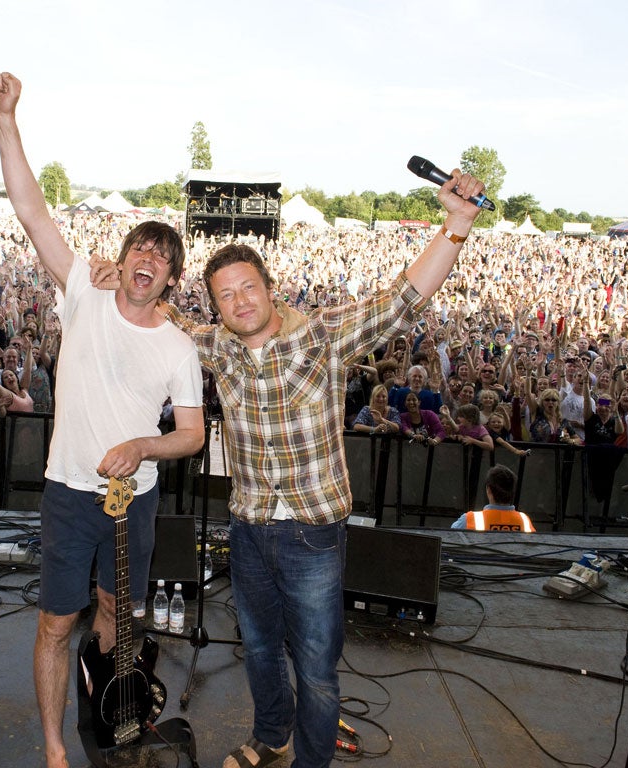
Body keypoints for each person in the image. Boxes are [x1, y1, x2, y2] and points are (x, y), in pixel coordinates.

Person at [93, 165, 488, 768]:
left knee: (318, 667)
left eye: (247, 287)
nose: (238, 301)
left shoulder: (323, 336)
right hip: (249, 529)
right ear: (216, 305)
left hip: (312, 534)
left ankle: (310, 761)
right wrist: (109, 279)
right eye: (225, 294)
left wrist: (456, 225)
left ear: (269, 287)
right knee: (257, 650)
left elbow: (404, 297)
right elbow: (156, 316)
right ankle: (271, 737)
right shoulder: (216, 346)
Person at [0, 71, 205, 768]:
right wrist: (6, 122)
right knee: (56, 622)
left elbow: (193, 434)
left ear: (171, 280)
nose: (150, 259)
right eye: (142, 247)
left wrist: (143, 444)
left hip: (132, 504)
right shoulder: (82, 287)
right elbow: (32, 211)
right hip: (67, 491)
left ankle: (113, 718)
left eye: (164, 258)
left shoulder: (177, 343)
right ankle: (54, 747)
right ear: (123, 258)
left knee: (120, 618)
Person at [451, 465, 535, 531]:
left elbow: (449, 539)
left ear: (488, 490)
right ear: (513, 490)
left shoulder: (469, 519)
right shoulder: (524, 520)